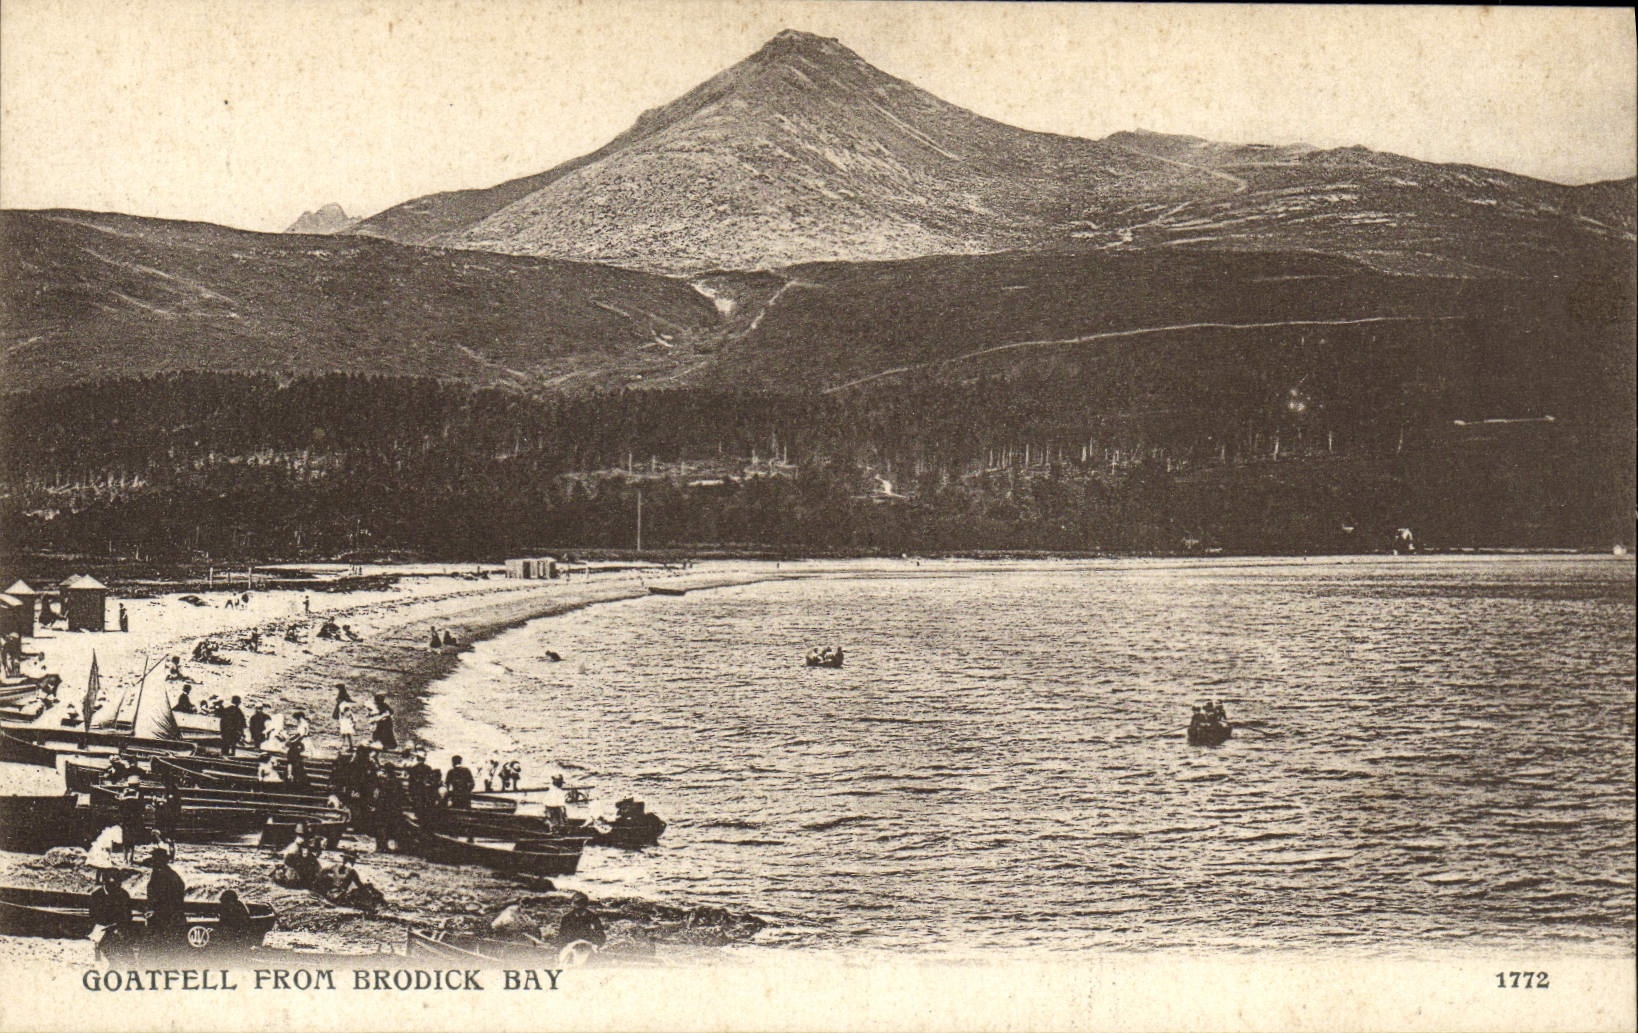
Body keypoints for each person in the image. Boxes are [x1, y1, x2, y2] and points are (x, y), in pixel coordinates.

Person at [142, 847, 189, 953]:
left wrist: (154, 909)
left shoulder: (165, 875)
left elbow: (166, 897)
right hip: (166, 915)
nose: (153, 863)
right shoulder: (163, 873)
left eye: (155, 860)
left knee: (161, 948)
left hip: (166, 917)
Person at [88, 868, 136, 963]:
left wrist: (119, 926)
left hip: (119, 928)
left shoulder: (123, 894)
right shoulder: (97, 895)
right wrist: (108, 926)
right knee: (111, 955)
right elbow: (93, 916)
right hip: (102, 928)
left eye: (116, 884)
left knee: (130, 959)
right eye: (111, 884)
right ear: (104, 883)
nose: (114, 887)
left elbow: (128, 915)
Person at [316, 850, 385, 912]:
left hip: (330, 894)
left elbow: (320, 875)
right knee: (364, 891)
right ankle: (371, 906)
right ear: (353, 861)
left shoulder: (334, 867)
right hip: (340, 896)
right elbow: (360, 885)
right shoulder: (351, 871)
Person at [371, 765, 408, 853]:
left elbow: (379, 796)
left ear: (386, 772)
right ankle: (387, 846)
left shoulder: (384, 783)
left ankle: (381, 847)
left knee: (381, 827)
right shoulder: (398, 783)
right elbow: (402, 797)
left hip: (383, 808)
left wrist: (376, 805)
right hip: (394, 809)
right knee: (390, 828)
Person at [214, 889, 255, 955]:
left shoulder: (237, 907)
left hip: (237, 931)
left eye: (224, 901)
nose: (222, 902)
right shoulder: (234, 906)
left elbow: (244, 921)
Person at [406, 751, 441, 823]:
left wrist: (410, 792)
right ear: (424, 759)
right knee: (425, 807)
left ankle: (419, 819)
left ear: (417, 758)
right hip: (426, 791)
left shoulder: (413, 768)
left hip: (416, 790)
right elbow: (431, 780)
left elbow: (411, 781)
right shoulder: (428, 768)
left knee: (418, 806)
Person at [333, 686, 357, 751]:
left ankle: (345, 745)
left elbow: (347, 712)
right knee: (345, 733)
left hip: (346, 720)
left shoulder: (344, 704)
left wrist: (343, 714)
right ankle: (347, 745)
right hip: (344, 720)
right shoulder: (343, 704)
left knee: (346, 733)